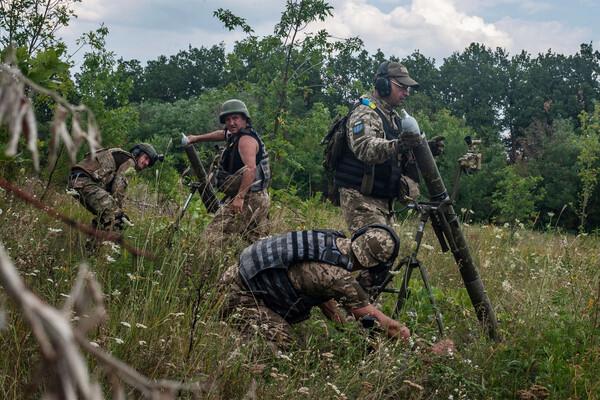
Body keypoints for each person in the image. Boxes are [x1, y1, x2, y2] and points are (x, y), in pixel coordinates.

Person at [219, 225, 411, 350]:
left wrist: (347, 331)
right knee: (286, 346)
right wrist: (410, 340)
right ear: (373, 264)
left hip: (232, 277)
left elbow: (323, 294)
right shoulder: (339, 279)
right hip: (239, 298)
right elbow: (382, 322)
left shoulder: (329, 238)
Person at [335, 61, 445, 233]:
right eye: (401, 86)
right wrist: (399, 145)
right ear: (383, 85)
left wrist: (424, 149)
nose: (406, 93)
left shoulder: (392, 118)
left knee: (387, 252)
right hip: (361, 199)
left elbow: (396, 152)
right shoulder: (364, 112)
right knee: (379, 248)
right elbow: (365, 148)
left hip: (384, 201)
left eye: (408, 88)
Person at [182, 99, 271, 244]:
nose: (231, 123)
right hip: (257, 196)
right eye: (228, 119)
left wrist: (240, 197)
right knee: (251, 243)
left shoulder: (246, 140)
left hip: (250, 197)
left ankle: (209, 265)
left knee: (212, 236)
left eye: (235, 118)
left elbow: (251, 169)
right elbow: (222, 134)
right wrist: (197, 138)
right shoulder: (235, 134)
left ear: (244, 119)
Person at [67, 143, 163, 232]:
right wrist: (119, 211)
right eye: (145, 158)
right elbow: (118, 188)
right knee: (118, 219)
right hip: (84, 182)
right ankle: (92, 248)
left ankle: (92, 245)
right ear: (137, 154)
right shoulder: (130, 162)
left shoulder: (121, 157)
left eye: (148, 161)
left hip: (76, 180)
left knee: (106, 217)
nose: (146, 163)